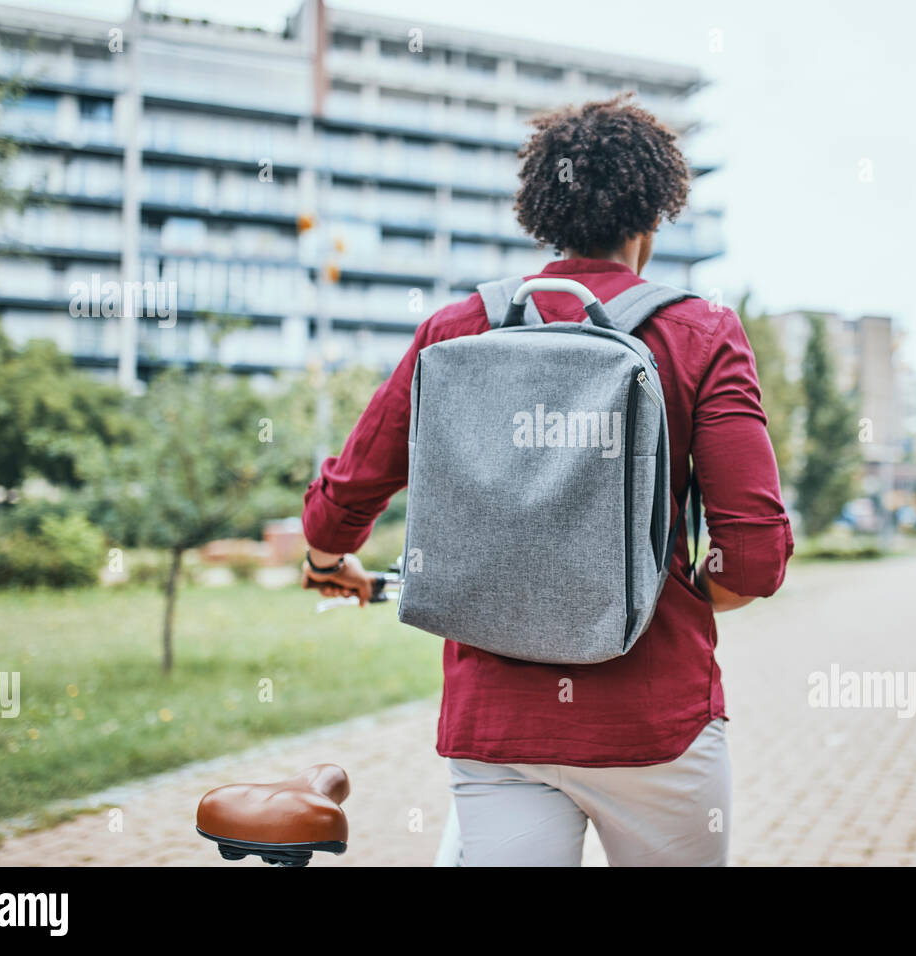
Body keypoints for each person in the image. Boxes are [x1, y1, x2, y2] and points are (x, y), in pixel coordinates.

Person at [300, 94, 793, 866]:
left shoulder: (456, 331)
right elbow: (754, 558)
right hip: (657, 728)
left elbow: (339, 508)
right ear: (653, 221)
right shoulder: (702, 335)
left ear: (543, 214)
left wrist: (330, 564)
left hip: (500, 737)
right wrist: (669, 598)